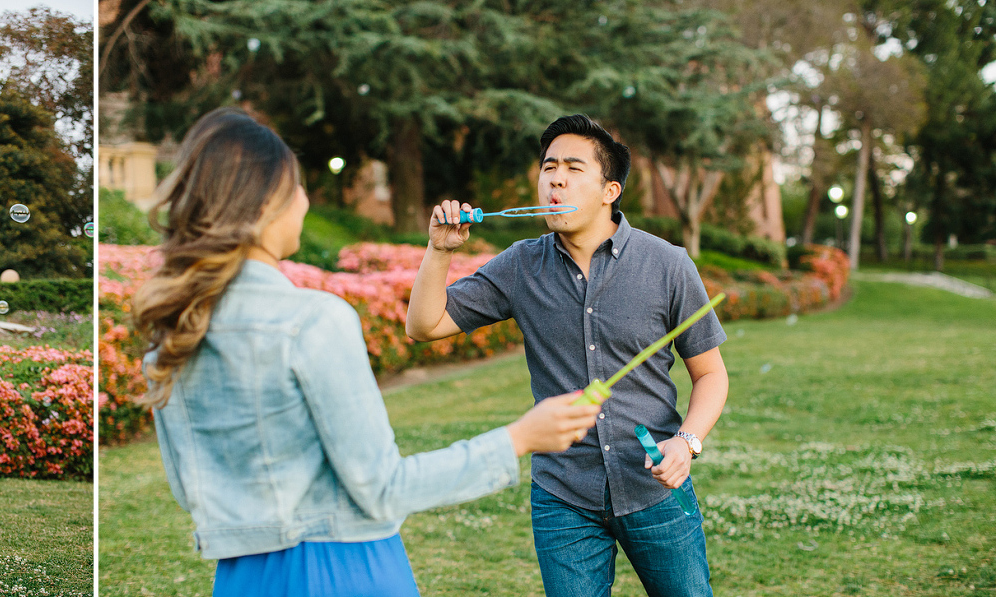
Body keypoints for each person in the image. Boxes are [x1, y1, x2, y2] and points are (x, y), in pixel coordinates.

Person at [133, 107, 601, 597]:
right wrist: (520, 437)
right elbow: (384, 490)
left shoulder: (170, 335)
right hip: (343, 570)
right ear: (266, 201)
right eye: (297, 186)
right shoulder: (313, 321)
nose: (305, 200)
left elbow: (193, 493)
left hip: (241, 579)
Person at [406, 114, 729, 597]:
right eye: (548, 166)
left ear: (609, 190)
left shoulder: (667, 264)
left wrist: (687, 441)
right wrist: (438, 251)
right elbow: (425, 325)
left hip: (656, 490)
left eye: (573, 168)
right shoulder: (521, 265)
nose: (555, 178)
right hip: (563, 497)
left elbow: (711, 376)